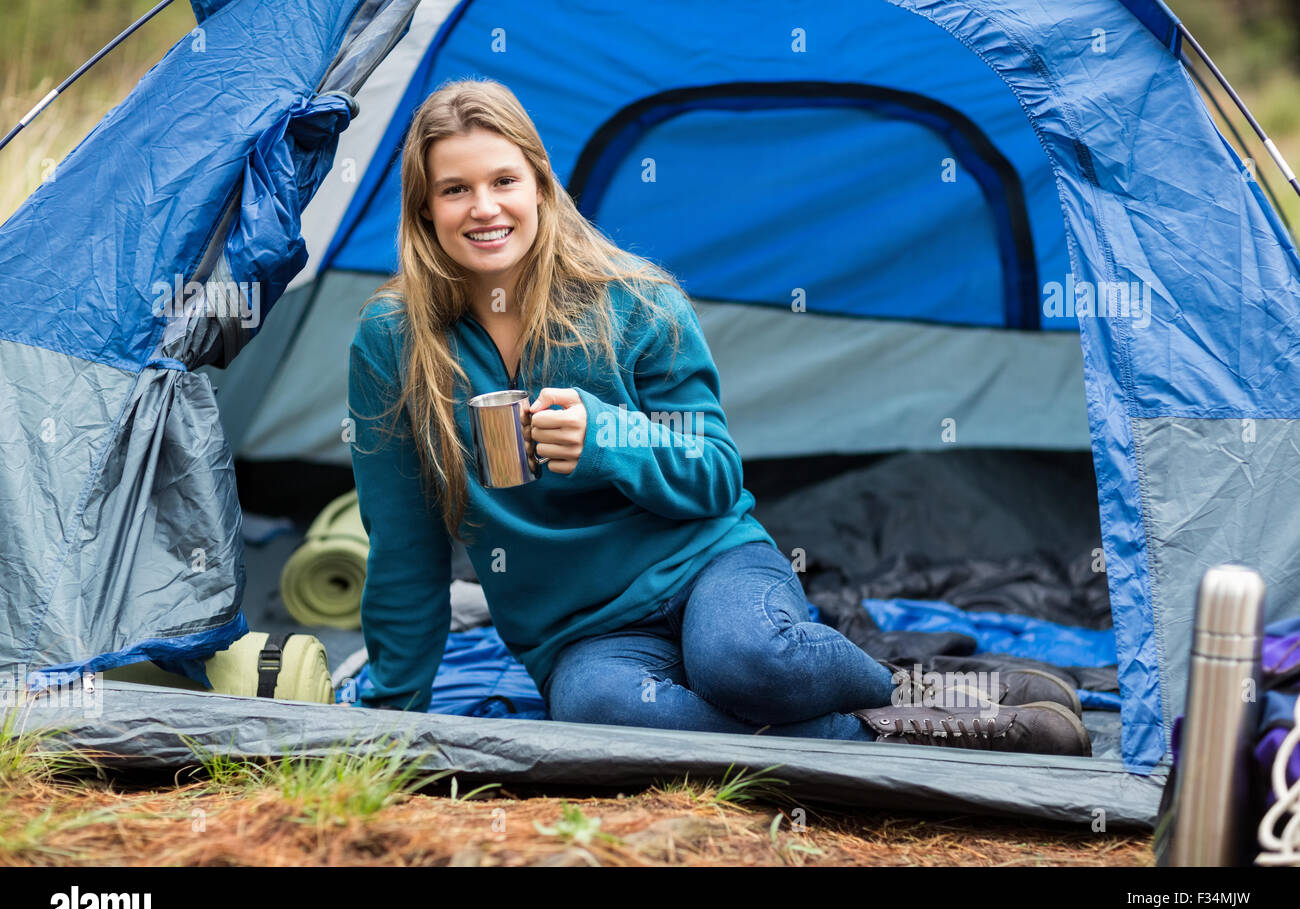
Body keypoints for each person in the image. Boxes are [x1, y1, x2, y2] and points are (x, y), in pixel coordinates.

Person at [346, 78, 1091, 755]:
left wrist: (609, 438)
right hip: (579, 631)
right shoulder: (394, 342)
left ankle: (908, 686)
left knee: (748, 661)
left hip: (705, 566)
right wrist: (387, 717)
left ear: (540, 185)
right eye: (455, 189)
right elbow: (405, 546)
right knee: (600, 711)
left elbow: (714, 473)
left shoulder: (635, 302)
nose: (484, 208)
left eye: (503, 180)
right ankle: (906, 727)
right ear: (424, 209)